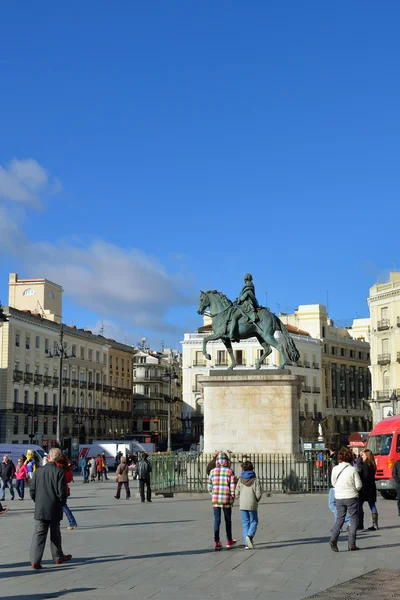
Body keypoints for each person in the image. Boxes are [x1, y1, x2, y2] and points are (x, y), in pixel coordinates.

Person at [29, 447, 72, 569]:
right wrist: (61, 502)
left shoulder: (38, 471)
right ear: (58, 458)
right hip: (54, 507)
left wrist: (36, 500)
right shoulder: (60, 472)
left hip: (41, 507)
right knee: (55, 533)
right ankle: (58, 557)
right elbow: (61, 493)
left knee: (39, 534)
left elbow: (32, 489)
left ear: (48, 457)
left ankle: (35, 561)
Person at [329, 447, 362, 552]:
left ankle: (333, 539)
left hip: (339, 497)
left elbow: (333, 483)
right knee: (353, 519)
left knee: (340, 518)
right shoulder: (352, 469)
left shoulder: (335, 469)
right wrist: (354, 489)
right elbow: (359, 485)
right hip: (351, 496)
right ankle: (351, 544)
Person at [208, 451, 237, 550]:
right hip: (226, 498)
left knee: (217, 520)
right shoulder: (229, 471)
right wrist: (233, 496)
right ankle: (229, 540)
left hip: (216, 499)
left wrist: (214, 494)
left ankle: (217, 541)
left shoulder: (212, 471)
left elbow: (209, 487)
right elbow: (232, 486)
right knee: (228, 520)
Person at [236, 460, 262, 549]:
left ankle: (246, 544)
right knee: (254, 521)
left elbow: (236, 492)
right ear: (252, 468)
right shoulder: (255, 479)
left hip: (242, 504)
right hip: (252, 503)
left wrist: (238, 497)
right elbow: (258, 493)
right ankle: (250, 535)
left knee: (245, 523)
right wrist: (256, 500)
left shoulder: (240, 479)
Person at [229, 273, 260, 342]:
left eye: (245, 279)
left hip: (246, 306)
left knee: (234, 317)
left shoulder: (248, 286)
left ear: (246, 279)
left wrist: (239, 300)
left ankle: (232, 334)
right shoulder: (249, 286)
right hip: (244, 304)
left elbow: (246, 295)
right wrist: (238, 300)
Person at [327, 444, 350, 529]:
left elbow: (333, 473)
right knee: (337, 505)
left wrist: (332, 483)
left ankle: (348, 520)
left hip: (335, 485)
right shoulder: (337, 457)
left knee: (332, 504)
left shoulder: (333, 459)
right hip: (340, 485)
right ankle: (338, 525)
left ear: (330, 450)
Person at [56, 454, 78, 531]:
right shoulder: (67, 468)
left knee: (62, 507)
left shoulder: (57, 467)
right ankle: (56, 523)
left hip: (58, 490)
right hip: (65, 489)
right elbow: (69, 479)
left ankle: (72, 522)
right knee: (60, 507)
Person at [359, 449, 378, 531]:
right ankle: (375, 524)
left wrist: (362, 487)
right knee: (372, 505)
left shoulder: (365, 465)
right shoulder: (372, 464)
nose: (362, 456)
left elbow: (365, 477)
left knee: (359, 505)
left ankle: (360, 523)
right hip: (371, 487)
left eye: (363, 455)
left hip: (365, 488)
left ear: (367, 456)